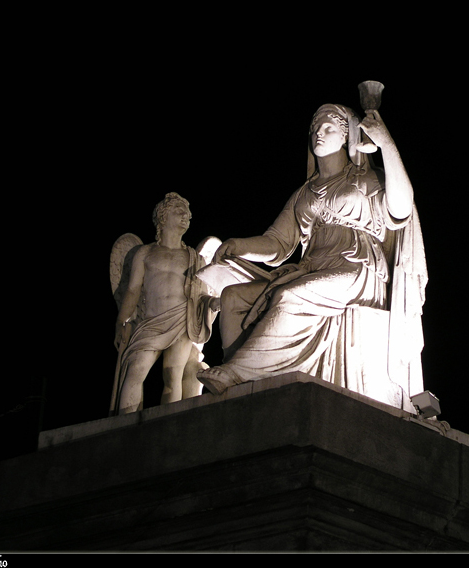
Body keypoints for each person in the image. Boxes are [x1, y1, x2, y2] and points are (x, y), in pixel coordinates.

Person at [196, 104, 426, 398]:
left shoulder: (366, 180)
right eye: (315, 128)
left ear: (346, 136)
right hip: (310, 268)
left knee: (290, 295)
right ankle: (244, 390)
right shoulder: (303, 193)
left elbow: (402, 207)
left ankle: (238, 371)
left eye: (328, 127)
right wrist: (239, 245)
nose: (318, 132)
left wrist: (386, 144)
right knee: (232, 297)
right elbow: (277, 243)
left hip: (355, 270)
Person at [110, 192, 220, 415]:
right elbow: (132, 291)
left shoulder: (194, 258)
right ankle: (124, 425)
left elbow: (199, 294)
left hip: (181, 321)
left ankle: (168, 422)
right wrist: (121, 321)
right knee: (135, 369)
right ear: (163, 217)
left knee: (173, 374)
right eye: (179, 212)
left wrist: (212, 303)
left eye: (187, 215)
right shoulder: (145, 252)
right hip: (149, 322)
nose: (185, 217)